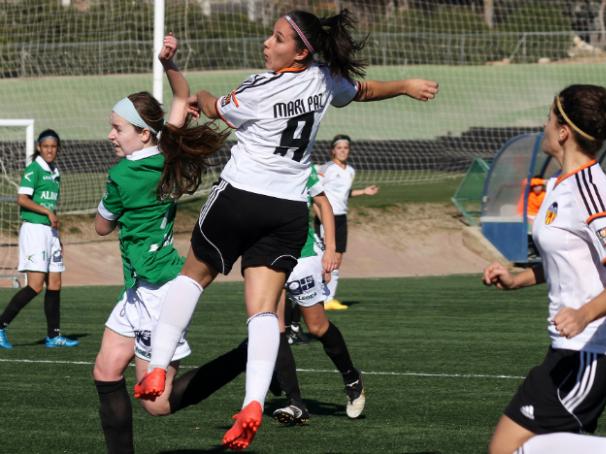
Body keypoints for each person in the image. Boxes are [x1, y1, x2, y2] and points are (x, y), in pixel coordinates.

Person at [134, 9, 438, 451]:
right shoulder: (323, 80)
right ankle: (253, 402)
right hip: (287, 212)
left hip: (239, 199)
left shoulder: (260, 88)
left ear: (299, 51)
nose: (266, 43)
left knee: (192, 277)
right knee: (262, 311)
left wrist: (200, 93)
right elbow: (367, 89)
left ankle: (158, 367)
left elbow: (217, 109)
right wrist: (407, 86)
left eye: (277, 38)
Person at [92, 34, 246, 454]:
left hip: (158, 291)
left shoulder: (122, 176)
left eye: (117, 128)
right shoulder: (166, 151)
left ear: (143, 134)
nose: (110, 134)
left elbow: (101, 227)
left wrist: (107, 210)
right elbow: (181, 94)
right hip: (140, 285)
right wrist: (168, 62)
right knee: (106, 370)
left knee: (157, 404)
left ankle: (244, 357)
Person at [483, 85, 606, 454]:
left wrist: (582, 313)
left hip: (593, 351)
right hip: (569, 350)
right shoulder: (561, 185)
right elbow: (568, 262)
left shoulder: (591, 190)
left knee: (510, 450)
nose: (543, 126)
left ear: (563, 132)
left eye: (549, 118)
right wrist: (517, 279)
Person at [271, 165, 365, 425]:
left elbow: (323, 204)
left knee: (316, 326)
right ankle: (295, 403)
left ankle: (351, 377)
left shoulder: (299, 164)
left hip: (303, 256)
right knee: (273, 325)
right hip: (267, 257)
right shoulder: (252, 162)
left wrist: (330, 249)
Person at [0, 129, 78, 349]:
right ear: (39, 147)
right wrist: (46, 212)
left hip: (49, 233)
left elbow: (51, 207)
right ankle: (0, 326)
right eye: (46, 146)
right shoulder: (34, 169)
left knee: (55, 284)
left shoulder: (55, 171)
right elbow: (22, 199)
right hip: (34, 231)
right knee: (35, 286)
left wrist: (57, 235)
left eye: (53, 147)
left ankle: (53, 336)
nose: (50, 150)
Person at [315, 134, 379, 310]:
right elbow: (315, 197)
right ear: (332, 150)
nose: (343, 151)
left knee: (337, 260)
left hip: (341, 217)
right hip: (327, 218)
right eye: (339, 147)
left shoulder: (350, 170)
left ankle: (329, 300)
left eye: (346, 148)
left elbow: (344, 193)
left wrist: (364, 192)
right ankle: (315, 298)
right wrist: (322, 220)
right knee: (324, 259)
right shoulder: (324, 169)